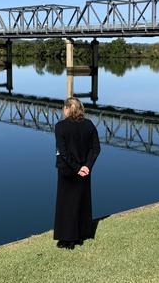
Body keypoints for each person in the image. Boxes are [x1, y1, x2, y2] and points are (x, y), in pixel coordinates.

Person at [53, 97, 101, 250]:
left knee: (66, 204)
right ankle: (81, 234)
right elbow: (96, 149)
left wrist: (76, 168)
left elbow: (64, 153)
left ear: (67, 109)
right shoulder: (89, 125)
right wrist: (87, 166)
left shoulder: (60, 127)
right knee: (82, 202)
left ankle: (67, 239)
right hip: (84, 171)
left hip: (67, 170)